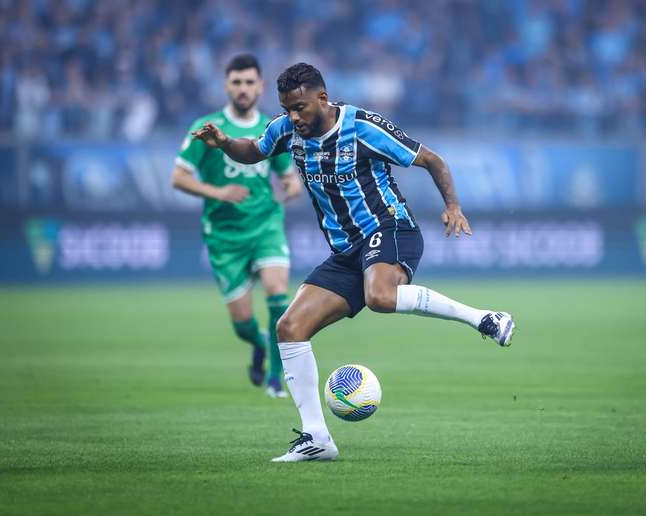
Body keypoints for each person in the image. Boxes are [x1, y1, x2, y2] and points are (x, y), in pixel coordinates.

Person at [192, 62, 515, 462]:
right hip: (346, 252)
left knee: (380, 296)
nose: (294, 117)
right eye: (287, 108)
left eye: (300, 107)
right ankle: (317, 439)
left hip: (392, 229)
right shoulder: (286, 129)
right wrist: (224, 141)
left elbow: (432, 160)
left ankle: (484, 318)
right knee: (289, 328)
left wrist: (453, 205)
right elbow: (254, 150)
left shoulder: (362, 126)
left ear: (322, 98)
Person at [171, 54, 302, 398]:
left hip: (265, 227)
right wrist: (219, 192)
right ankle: (258, 343)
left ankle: (277, 379)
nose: (243, 89)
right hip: (224, 237)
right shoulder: (207, 127)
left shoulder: (273, 128)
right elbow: (179, 177)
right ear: (227, 85)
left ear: (260, 87)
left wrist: (288, 191)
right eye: (237, 82)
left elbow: (290, 180)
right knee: (242, 323)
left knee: (277, 294)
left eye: (249, 83)